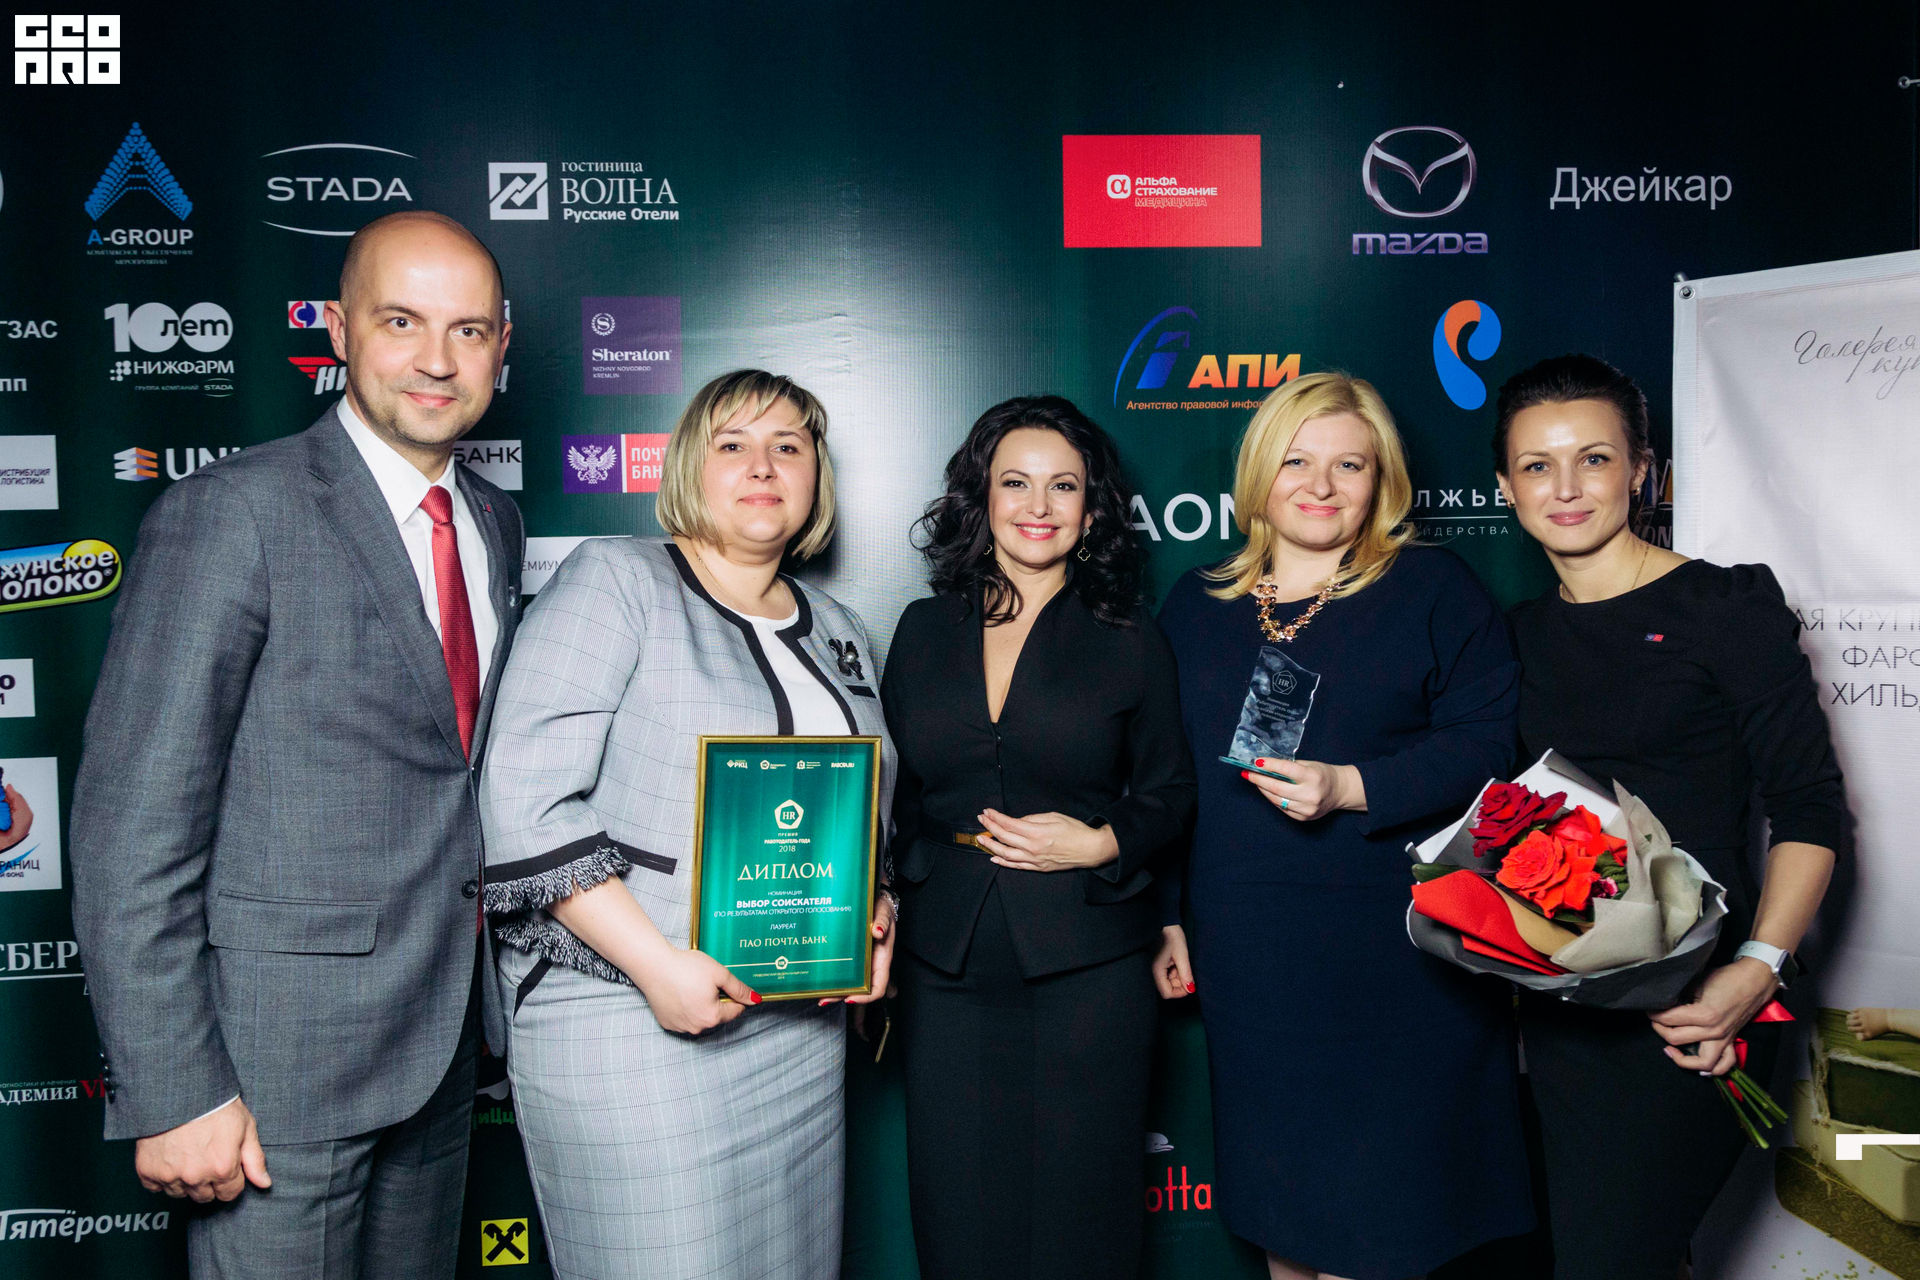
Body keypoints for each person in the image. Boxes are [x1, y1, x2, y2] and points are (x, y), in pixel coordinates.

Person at [69, 210, 522, 1278]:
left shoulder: (492, 520)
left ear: (501, 345)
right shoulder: (233, 512)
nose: (437, 359)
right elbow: (132, 828)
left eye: (467, 330)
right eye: (401, 321)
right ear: (336, 328)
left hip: (440, 1050)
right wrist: (176, 1090)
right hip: (271, 1073)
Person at [480, 369, 895, 1280]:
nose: (763, 466)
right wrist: (655, 967)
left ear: (816, 476)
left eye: (788, 446)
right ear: (687, 468)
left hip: (799, 1031)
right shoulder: (618, 580)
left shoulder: (840, 626)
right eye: (732, 445)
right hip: (629, 1012)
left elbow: (866, 809)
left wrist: (878, 912)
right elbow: (522, 795)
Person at [1157, 372, 1534, 1280]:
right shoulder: (1194, 605)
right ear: (1260, 474)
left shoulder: (1433, 588)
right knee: (1287, 1221)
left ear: (1381, 481)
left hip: (1398, 958)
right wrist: (1167, 913)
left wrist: (1354, 786)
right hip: (1251, 958)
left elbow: (1491, 742)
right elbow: (1163, 777)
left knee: (1380, 1233)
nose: (1321, 486)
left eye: (1349, 465)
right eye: (1297, 461)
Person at [1495, 354, 1844, 1280]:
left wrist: (1756, 971)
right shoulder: (1517, 637)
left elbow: (1810, 809)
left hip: (1699, 1006)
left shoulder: (1724, 607)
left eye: (1595, 458)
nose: (1567, 488)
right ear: (1506, 489)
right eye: (1537, 466)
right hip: (1566, 1017)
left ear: (1643, 470)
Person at [883, 395, 1197, 1280]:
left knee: (1081, 1219)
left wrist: (1101, 843)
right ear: (980, 497)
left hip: (1089, 961)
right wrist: (881, 906)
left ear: (1092, 510)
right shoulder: (921, 630)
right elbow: (896, 797)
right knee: (957, 1214)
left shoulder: (1129, 635)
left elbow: (1172, 790)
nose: (1038, 505)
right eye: (1015, 482)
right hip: (943, 962)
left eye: (1064, 486)